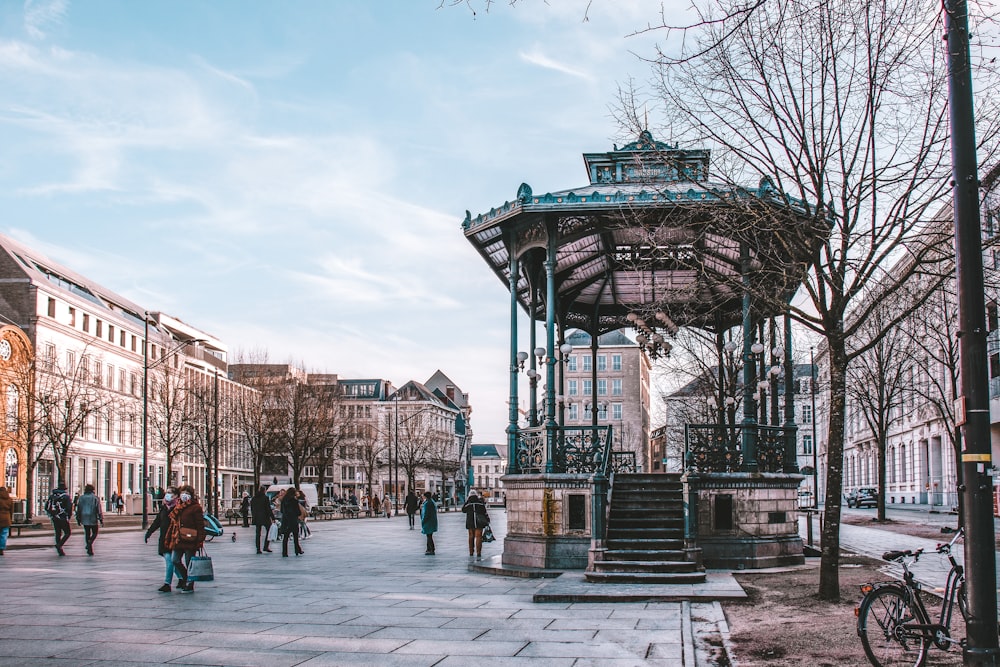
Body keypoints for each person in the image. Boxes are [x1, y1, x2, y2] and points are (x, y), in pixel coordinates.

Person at [165, 484, 205, 593]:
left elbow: (200, 525)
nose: (184, 495)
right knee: (175, 560)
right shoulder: (178, 506)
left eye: (187, 493)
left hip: (190, 539)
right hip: (178, 539)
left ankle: (190, 584)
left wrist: (200, 540)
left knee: (189, 562)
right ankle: (185, 578)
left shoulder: (195, 507)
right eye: (183, 493)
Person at [144, 486, 179, 591]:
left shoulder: (178, 508)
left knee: (170, 561)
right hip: (164, 538)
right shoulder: (164, 507)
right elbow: (157, 522)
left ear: (176, 496)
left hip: (174, 539)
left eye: (170, 493)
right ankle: (182, 578)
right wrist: (149, 533)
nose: (167, 495)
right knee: (173, 561)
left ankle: (167, 584)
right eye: (167, 492)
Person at [75, 484, 103, 556]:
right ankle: (90, 544)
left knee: (87, 533)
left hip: (84, 516)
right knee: (95, 532)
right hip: (92, 516)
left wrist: (78, 518)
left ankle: (89, 548)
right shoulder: (95, 498)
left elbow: (79, 509)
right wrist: (101, 519)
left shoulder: (81, 498)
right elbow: (98, 509)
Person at [45, 483, 73, 556]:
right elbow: (69, 508)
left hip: (54, 517)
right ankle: (59, 545)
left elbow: (46, 507)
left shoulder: (52, 496)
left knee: (58, 533)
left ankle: (59, 549)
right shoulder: (66, 497)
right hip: (62, 517)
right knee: (67, 532)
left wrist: (51, 514)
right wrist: (69, 516)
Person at [462, 490, 490, 560]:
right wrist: (488, 520)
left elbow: (463, 510)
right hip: (479, 523)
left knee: (471, 537)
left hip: (470, 522)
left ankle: (471, 552)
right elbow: (485, 512)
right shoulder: (480, 503)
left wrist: (467, 501)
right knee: (479, 537)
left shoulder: (468, 504)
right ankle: (478, 552)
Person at [280, 486, 303, 557]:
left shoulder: (283, 500)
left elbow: (281, 510)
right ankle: (297, 550)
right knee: (295, 536)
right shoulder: (294, 501)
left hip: (286, 520)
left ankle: (284, 552)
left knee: (286, 537)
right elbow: (298, 512)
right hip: (293, 520)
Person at [250, 486, 274, 554]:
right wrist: (272, 517)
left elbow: (252, 508)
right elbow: (268, 509)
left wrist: (254, 516)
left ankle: (258, 549)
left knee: (258, 533)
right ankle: (266, 546)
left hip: (257, 517)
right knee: (269, 531)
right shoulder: (265, 498)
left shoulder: (254, 498)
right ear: (264, 490)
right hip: (265, 517)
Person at [420, 491, 437, 555]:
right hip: (431, 521)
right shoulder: (430, 502)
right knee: (429, 535)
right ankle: (429, 548)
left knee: (429, 536)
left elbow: (426, 513)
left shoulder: (428, 503)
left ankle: (431, 549)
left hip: (428, 522)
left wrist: (423, 520)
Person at [0, 486, 12, 556]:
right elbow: (11, 511)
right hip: (6, 519)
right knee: (4, 535)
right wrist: (10, 519)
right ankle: (1, 548)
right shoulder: (9, 500)